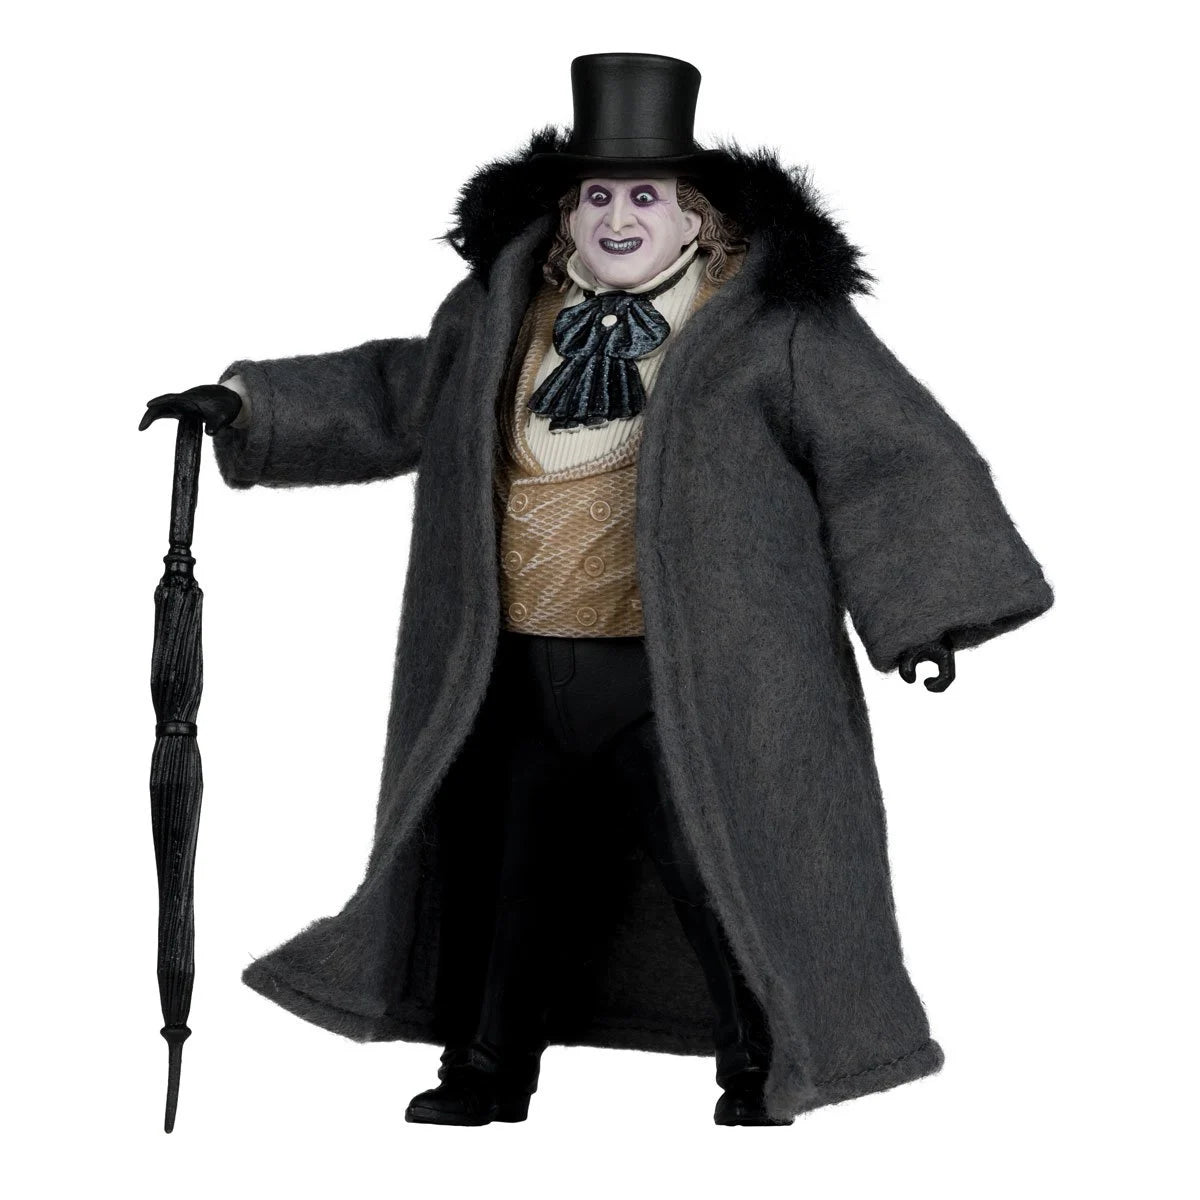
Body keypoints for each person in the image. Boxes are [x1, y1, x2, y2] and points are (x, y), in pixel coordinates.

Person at [141, 53, 1052, 1126]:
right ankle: (488, 1066)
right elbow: (402, 389)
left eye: (645, 197)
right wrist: (253, 408)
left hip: (687, 678)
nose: (619, 219)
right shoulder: (506, 311)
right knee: (512, 872)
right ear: (568, 211)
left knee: (721, 869)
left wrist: (927, 610)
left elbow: (889, 451)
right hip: (523, 664)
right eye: (597, 197)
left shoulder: (769, 326)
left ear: (696, 217)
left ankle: (761, 1061)